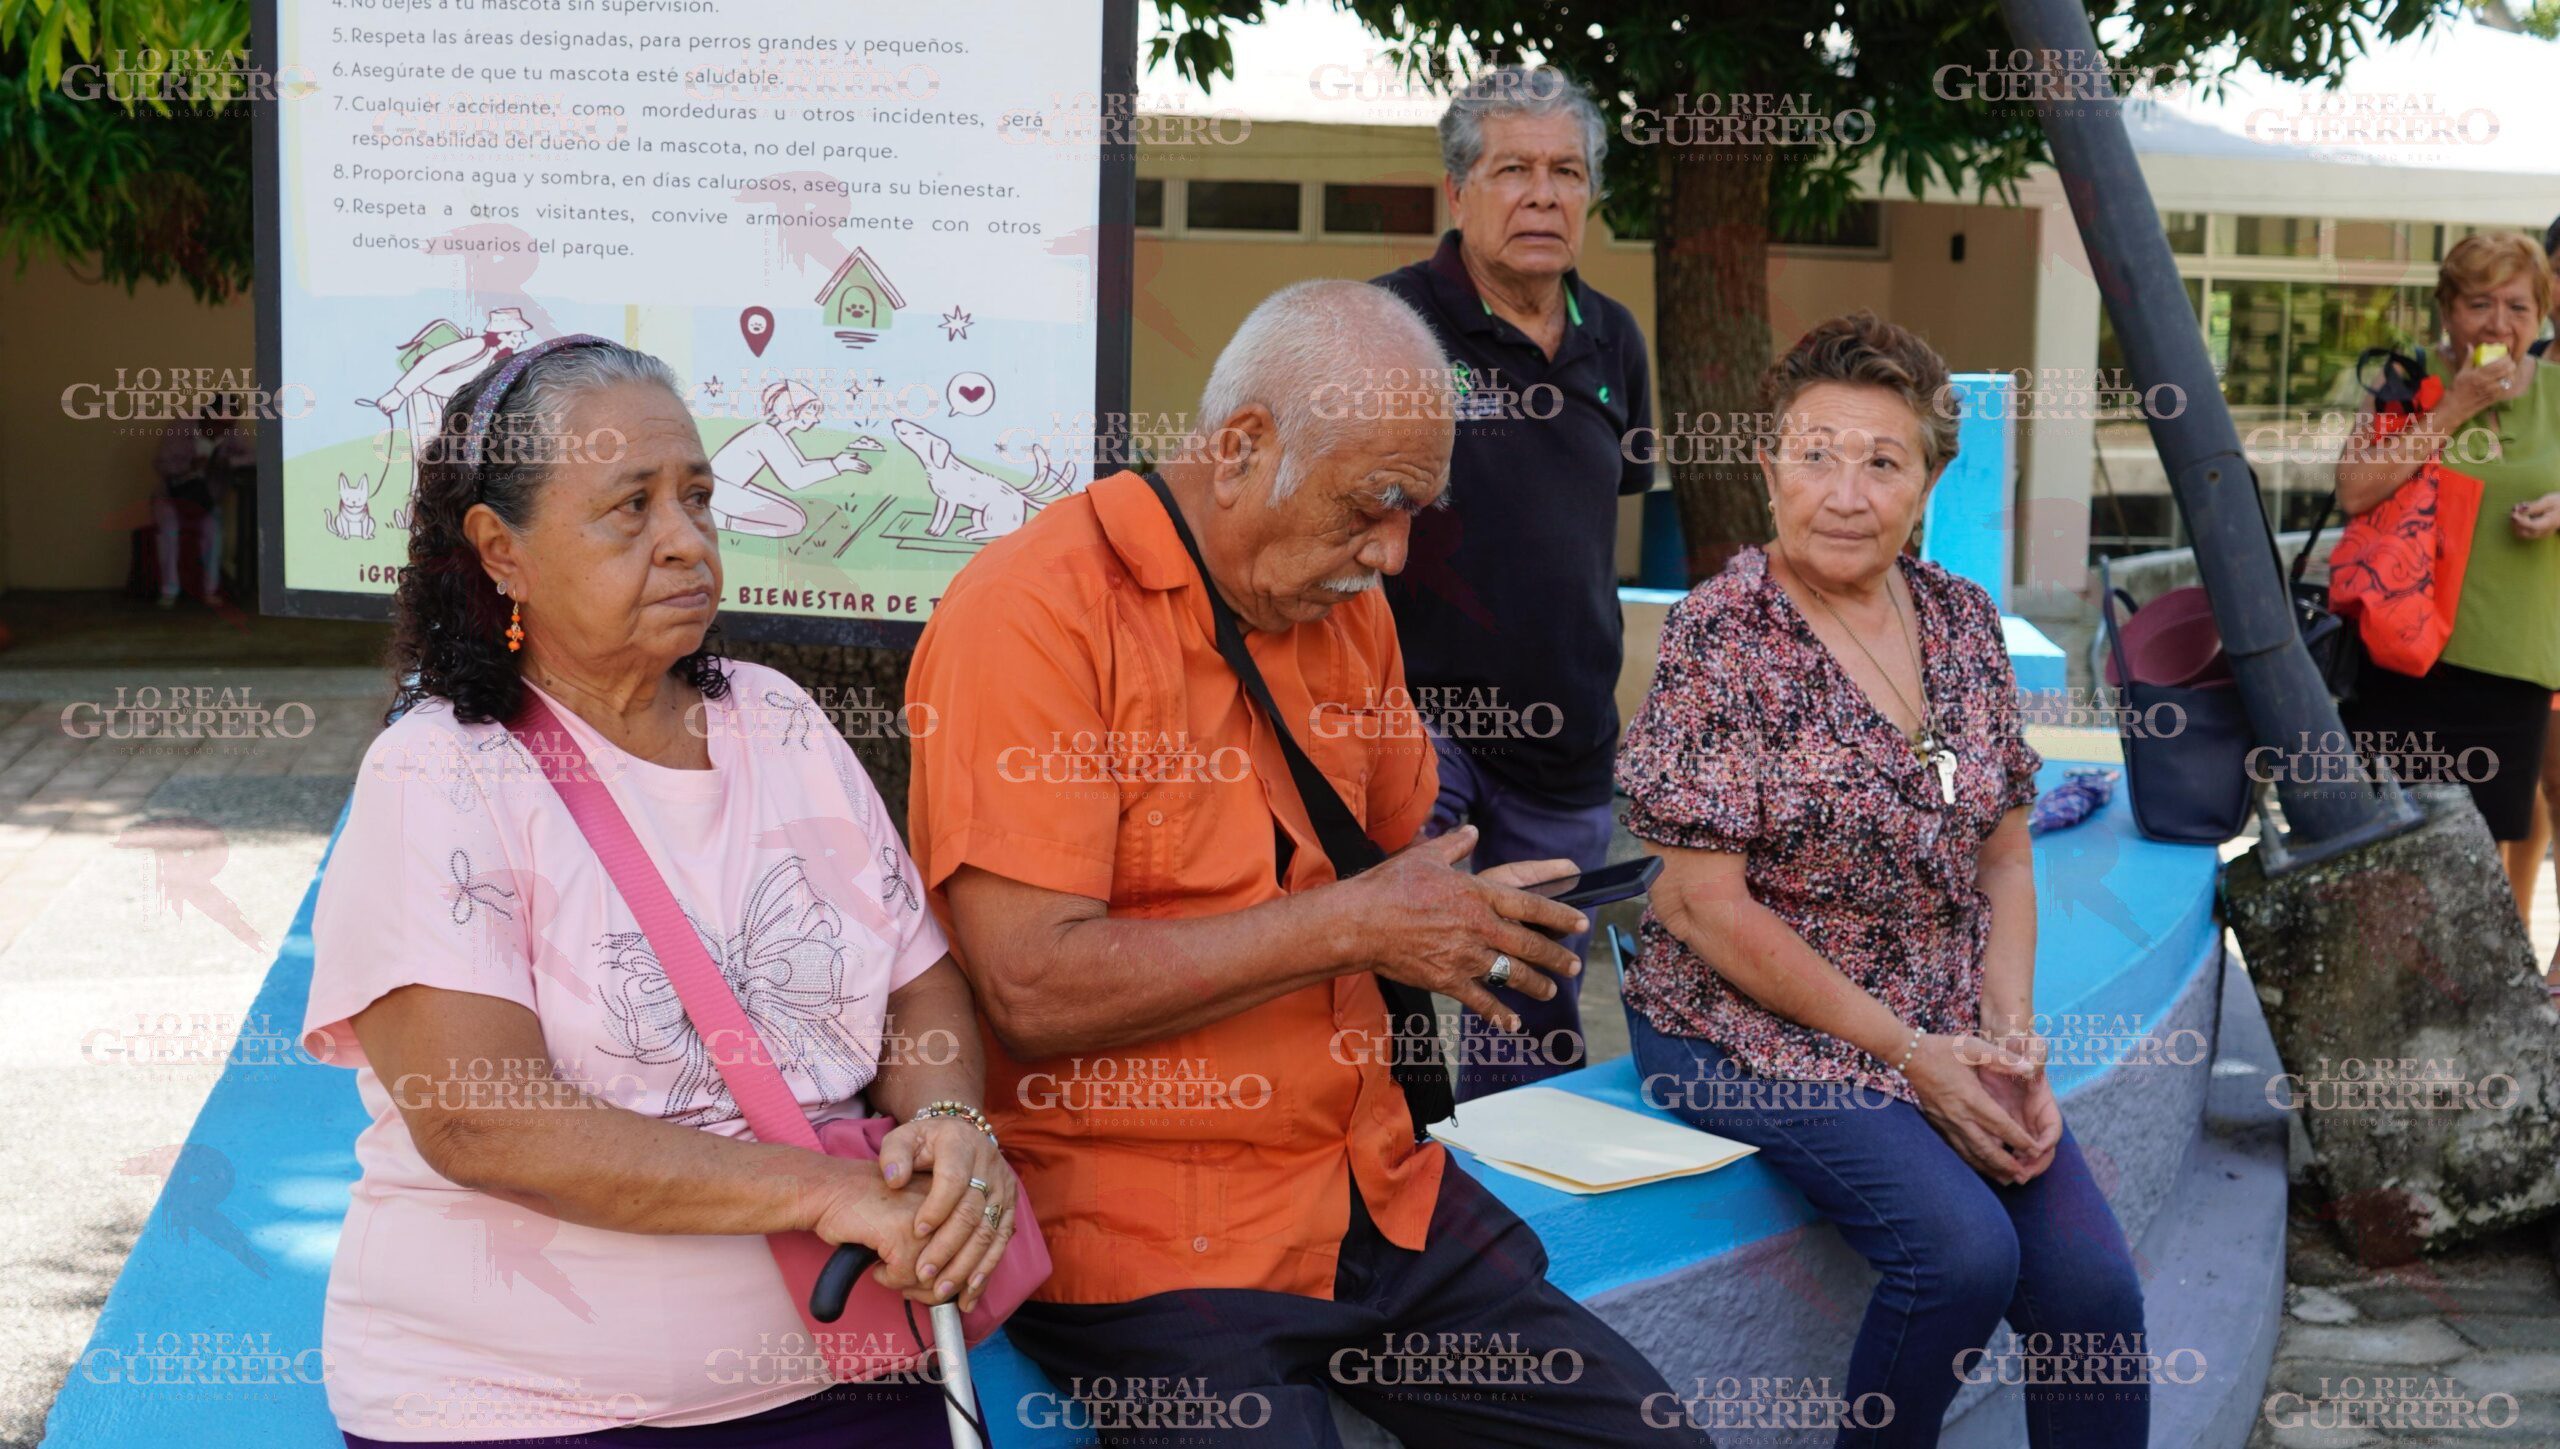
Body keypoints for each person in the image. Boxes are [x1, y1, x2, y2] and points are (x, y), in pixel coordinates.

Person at [907, 280, 1711, 1447]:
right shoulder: (1033, 615)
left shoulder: (1343, 606)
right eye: (1371, 509)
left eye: (1415, 517)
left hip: (1370, 1187)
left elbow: (1390, 869)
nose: (1391, 555)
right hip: (1148, 1233)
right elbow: (1029, 986)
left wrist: (1464, 921)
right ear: (1241, 449)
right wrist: (1357, 928)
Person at [300, 337, 1021, 1446]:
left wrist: (948, 1127)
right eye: (629, 509)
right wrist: (822, 1192)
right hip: (523, 1411)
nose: (687, 542)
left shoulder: (776, 719)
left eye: (696, 497)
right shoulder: (441, 770)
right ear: (501, 551)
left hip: (853, 1367)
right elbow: (482, 1120)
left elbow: (919, 990)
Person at [1616, 313, 2148, 1447]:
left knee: (2092, 1297)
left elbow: (2004, 849)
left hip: (1937, 1013)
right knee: (1959, 1256)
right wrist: (1912, 1061)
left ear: (1928, 483)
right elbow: (1696, 903)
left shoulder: (1959, 623)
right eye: (1815, 454)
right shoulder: (1725, 639)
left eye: (1881, 461)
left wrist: (2006, 1043)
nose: (1844, 493)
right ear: (1767, 466)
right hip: (1742, 1016)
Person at [1375, 65, 1656, 1100]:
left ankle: (1518, 1223)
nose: (1542, 195)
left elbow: (1595, 516)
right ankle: (1386, 1207)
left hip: (1564, 747)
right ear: (1458, 193)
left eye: (1566, 172)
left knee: (1531, 1013)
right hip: (1414, 729)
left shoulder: (1612, 337)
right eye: (1513, 171)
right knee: (1385, 978)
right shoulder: (1389, 327)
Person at [2336, 234, 2560, 867]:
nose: (2500, 324)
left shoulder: (2559, 393)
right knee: (2387, 864)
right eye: (2479, 304)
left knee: (2474, 871)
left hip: (2514, 668)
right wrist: (2456, 403)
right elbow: (2355, 491)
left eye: (2519, 307)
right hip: (2404, 661)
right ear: (2447, 308)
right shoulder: (2406, 383)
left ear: (2541, 313)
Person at [708, 379, 876, 538]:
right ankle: (720, 521)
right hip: (719, 491)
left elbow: (801, 466)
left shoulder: (775, 433)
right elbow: (794, 479)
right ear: (791, 411)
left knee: (796, 518)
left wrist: (836, 464)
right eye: (811, 411)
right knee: (794, 522)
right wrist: (837, 465)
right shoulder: (766, 434)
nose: (816, 419)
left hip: (725, 488)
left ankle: (719, 518)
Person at [149, 395, 251, 607]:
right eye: (218, 422)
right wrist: (189, 465)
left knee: (213, 532)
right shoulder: (181, 428)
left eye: (228, 423)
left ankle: (209, 590)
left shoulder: (231, 433)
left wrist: (228, 461)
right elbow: (161, 464)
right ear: (205, 415)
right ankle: (169, 591)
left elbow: (253, 456)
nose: (223, 428)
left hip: (206, 498)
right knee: (168, 531)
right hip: (171, 496)